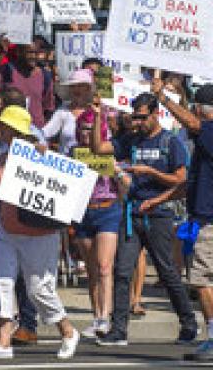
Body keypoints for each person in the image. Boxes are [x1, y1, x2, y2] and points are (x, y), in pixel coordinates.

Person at [93, 93, 198, 346]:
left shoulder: (170, 142)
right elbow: (99, 148)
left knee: (167, 271)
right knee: (122, 271)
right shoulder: (131, 140)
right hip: (132, 213)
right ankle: (119, 330)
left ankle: (188, 323)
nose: (137, 122)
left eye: (141, 117)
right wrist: (99, 116)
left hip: (159, 215)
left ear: (155, 114)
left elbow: (181, 179)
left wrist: (150, 171)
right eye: (135, 117)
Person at [0, 106, 80, 360]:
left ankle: (67, 331)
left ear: (13, 130)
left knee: (38, 289)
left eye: (3, 125)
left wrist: (43, 155)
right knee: (2, 281)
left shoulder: (38, 153)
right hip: (8, 231)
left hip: (38, 234)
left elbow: (58, 176)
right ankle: (3, 341)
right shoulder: (3, 155)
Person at [151, 80, 213, 361]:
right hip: (202, 218)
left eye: (197, 108)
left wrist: (163, 98)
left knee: (203, 280)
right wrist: (158, 200)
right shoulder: (204, 143)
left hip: (209, 221)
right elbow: (190, 183)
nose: (195, 114)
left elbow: (192, 123)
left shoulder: (209, 131)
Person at [73, 108, 125, 339]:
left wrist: (118, 172)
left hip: (108, 209)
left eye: (90, 128)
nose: (86, 133)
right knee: (92, 270)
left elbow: (126, 187)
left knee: (105, 267)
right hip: (84, 212)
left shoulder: (108, 151)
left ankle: (105, 316)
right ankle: (96, 316)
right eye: (83, 128)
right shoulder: (74, 153)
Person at [0, 43, 54, 128]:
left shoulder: (45, 76)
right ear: (19, 52)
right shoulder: (7, 71)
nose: (34, 56)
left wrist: (41, 129)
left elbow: (49, 108)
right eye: (30, 52)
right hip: (10, 129)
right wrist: (2, 54)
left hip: (35, 132)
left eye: (36, 53)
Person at [43, 68, 96, 155]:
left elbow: (106, 138)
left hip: (91, 163)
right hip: (66, 164)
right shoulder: (63, 110)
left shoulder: (96, 111)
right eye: (73, 86)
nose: (76, 89)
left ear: (88, 89)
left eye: (80, 85)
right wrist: (32, 136)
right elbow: (47, 131)